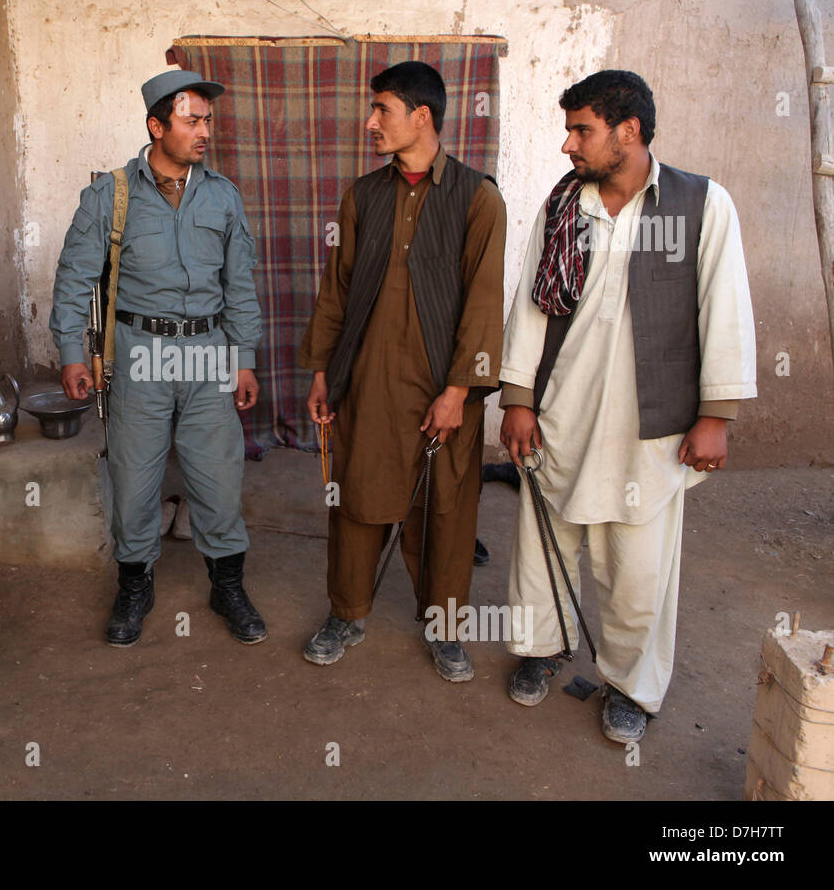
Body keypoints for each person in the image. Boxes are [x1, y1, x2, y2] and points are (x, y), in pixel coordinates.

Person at [499, 69, 756, 743]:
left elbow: (724, 308)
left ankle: (630, 687)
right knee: (545, 540)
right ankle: (541, 647)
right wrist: (518, 401)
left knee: (637, 565)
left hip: (652, 422)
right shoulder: (564, 207)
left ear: (628, 130)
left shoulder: (700, 205)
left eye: (581, 130)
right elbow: (530, 304)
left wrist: (715, 416)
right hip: (563, 408)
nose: (568, 146)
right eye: (568, 130)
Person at [298, 62, 506, 680]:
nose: (369, 123)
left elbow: (484, 302)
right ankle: (347, 613)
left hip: (444, 390)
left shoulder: (477, 198)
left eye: (381, 110)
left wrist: (458, 391)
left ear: (422, 116)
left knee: (443, 509)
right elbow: (336, 289)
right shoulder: (362, 196)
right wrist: (321, 373)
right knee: (356, 500)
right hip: (365, 381)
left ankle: (444, 629)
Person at [49, 69, 264, 648]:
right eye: (192, 121)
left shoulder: (221, 195)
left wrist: (243, 357)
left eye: (208, 122)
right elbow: (74, 280)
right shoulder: (111, 196)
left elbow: (240, 284)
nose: (204, 132)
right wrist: (73, 353)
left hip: (207, 354)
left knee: (218, 478)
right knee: (134, 478)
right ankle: (134, 585)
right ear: (156, 125)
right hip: (139, 353)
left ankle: (227, 585)